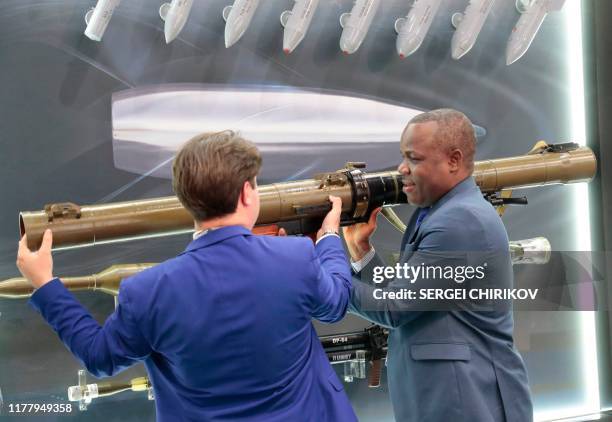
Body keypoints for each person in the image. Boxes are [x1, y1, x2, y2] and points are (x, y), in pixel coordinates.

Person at [17, 131, 357, 421]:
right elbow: (335, 303)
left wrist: (46, 285)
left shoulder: (146, 292)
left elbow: (99, 356)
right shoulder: (295, 258)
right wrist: (328, 239)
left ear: (185, 198)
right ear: (245, 193)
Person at [343, 109, 533, 421]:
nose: (402, 168)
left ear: (454, 160)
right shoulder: (438, 212)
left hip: (467, 403)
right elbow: (406, 296)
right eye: (403, 157)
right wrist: (361, 249)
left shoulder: (460, 221)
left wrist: (317, 275)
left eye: (414, 158)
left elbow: (395, 307)